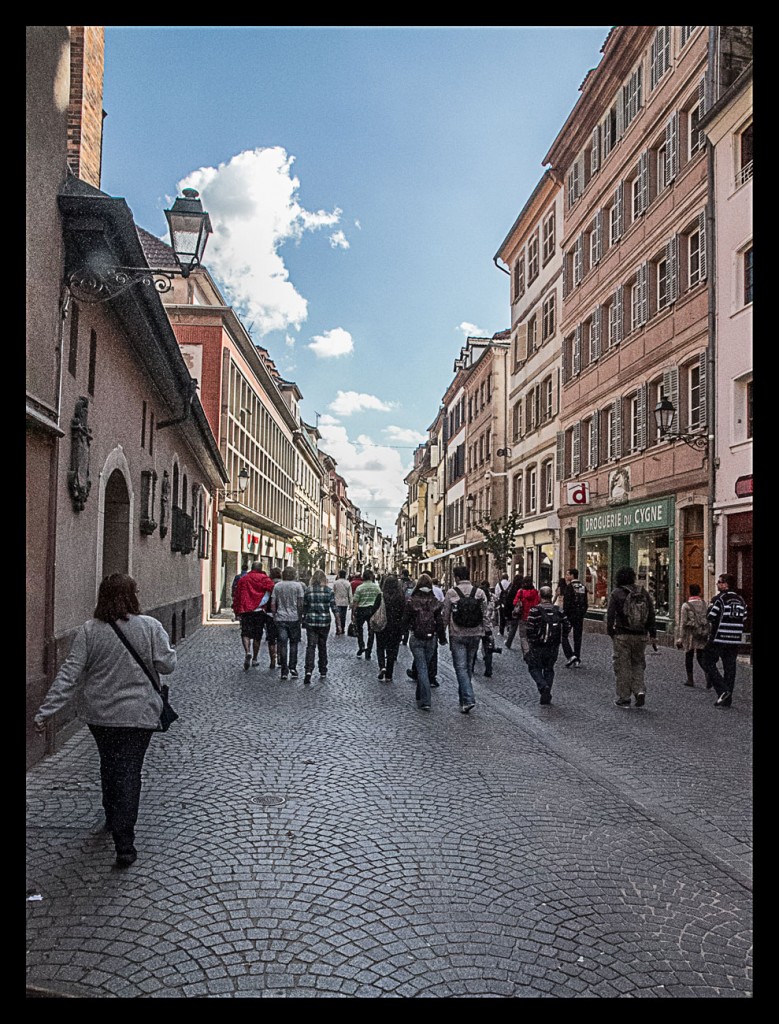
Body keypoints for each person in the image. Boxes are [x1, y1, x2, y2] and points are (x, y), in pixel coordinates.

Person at [33, 573, 176, 868]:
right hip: (138, 715)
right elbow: (167, 664)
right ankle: (125, 843)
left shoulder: (90, 630)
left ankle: (112, 815)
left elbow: (70, 674)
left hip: (101, 716)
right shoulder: (150, 626)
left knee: (110, 764)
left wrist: (46, 711)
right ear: (133, 595)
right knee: (130, 771)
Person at [607, 566, 656, 708]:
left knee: (623, 666)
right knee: (638, 663)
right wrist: (652, 633)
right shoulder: (643, 592)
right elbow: (651, 613)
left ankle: (624, 697)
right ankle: (639, 690)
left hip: (622, 634)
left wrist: (611, 631)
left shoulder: (616, 593)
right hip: (640, 635)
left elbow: (610, 615)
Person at [442, 565, 488, 713]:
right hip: (475, 634)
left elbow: (446, 616)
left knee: (460, 668)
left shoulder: (451, 593)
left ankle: (468, 699)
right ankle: (463, 700)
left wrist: (442, 633)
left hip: (458, 634)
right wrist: (487, 632)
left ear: (456, 578)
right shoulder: (479, 592)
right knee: (468, 666)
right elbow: (486, 614)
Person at [702, 573, 747, 708]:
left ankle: (722, 690)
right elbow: (744, 617)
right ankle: (727, 699)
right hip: (735, 638)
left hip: (719, 637)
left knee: (707, 662)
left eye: (720, 582)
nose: (718, 584)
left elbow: (711, 616)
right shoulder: (741, 600)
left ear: (726, 584)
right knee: (730, 667)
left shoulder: (720, 599)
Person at [403, 573, 447, 710]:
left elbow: (405, 619)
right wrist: (442, 638)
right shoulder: (434, 601)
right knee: (425, 668)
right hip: (431, 638)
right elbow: (439, 621)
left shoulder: (412, 601)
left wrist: (403, 633)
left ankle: (425, 700)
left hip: (416, 638)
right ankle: (420, 696)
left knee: (422, 669)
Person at [525, 586, 571, 705]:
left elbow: (529, 628)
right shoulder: (558, 610)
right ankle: (546, 693)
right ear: (551, 596)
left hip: (538, 645)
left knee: (534, 667)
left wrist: (533, 641)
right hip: (553, 645)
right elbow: (567, 625)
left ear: (540, 595)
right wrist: (561, 637)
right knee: (549, 669)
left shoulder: (535, 610)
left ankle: (543, 686)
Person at [232, 561, 275, 670]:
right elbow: (273, 591)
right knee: (257, 635)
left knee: (245, 633)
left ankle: (247, 651)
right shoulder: (265, 579)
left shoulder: (243, 579)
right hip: (259, 610)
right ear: (261, 568)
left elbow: (237, 595)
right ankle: (255, 658)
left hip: (246, 610)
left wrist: (237, 611)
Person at [271, 566, 305, 680]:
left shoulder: (277, 586)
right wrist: (300, 616)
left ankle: (284, 670)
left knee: (282, 644)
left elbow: (273, 603)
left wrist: (274, 615)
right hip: (294, 618)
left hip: (281, 618)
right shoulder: (298, 586)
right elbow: (300, 603)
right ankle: (293, 667)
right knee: (294, 643)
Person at [302, 569, 336, 684]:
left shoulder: (308, 591)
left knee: (311, 646)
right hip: (324, 622)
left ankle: (308, 670)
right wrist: (339, 624)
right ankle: (323, 670)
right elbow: (334, 608)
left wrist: (303, 617)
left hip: (311, 622)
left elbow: (304, 607)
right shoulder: (328, 591)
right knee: (322, 646)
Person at [373, 574, 406, 681]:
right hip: (395, 626)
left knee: (380, 647)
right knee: (391, 650)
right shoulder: (401, 597)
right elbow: (404, 612)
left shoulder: (381, 596)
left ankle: (382, 666)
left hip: (382, 625)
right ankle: (389, 675)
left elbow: (374, 610)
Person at [676, 583, 709, 687]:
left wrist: (680, 638)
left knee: (689, 656)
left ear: (689, 592)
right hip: (701, 632)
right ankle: (708, 674)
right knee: (701, 656)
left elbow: (683, 623)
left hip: (690, 633)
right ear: (699, 591)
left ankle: (690, 680)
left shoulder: (686, 605)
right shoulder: (704, 604)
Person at [561, 568, 589, 667]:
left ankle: (571, 656)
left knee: (563, 635)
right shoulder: (582, 587)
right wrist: (582, 613)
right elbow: (586, 603)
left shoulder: (569, 587)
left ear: (572, 576)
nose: (566, 576)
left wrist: (565, 614)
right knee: (578, 637)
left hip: (570, 616)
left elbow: (566, 603)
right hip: (579, 616)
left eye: (568, 574)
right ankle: (577, 658)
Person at [352, 569, 382, 659]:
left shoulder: (360, 588)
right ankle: (368, 651)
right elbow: (380, 599)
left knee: (359, 630)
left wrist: (353, 614)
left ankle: (361, 645)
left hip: (361, 610)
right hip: (372, 610)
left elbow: (355, 602)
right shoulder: (376, 587)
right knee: (371, 631)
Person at [509, 576, 541, 654]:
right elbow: (538, 603)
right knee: (531, 635)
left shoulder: (521, 592)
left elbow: (514, 602)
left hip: (523, 616)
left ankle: (526, 652)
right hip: (533, 616)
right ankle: (531, 649)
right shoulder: (535, 592)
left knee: (523, 636)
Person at [263, 566, 282, 670]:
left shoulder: (269, 584)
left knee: (271, 638)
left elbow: (265, 599)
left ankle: (272, 660)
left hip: (270, 614)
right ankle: (279, 656)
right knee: (280, 638)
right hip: (282, 614)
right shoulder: (283, 585)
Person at [478, 578, 496, 678]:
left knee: (475, 646)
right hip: (488, 627)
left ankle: (471, 665)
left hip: (477, 626)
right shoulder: (491, 601)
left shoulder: (478, 602)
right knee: (488, 648)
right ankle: (488, 668)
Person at [502, 574, 524, 650]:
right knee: (522, 629)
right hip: (522, 610)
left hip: (514, 611)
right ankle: (524, 645)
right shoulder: (522, 589)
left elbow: (508, 601)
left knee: (513, 628)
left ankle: (508, 642)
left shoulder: (512, 588)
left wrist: (506, 613)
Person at [332, 569, 352, 636]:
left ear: (339, 575)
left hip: (337, 602)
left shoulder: (335, 583)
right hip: (344, 602)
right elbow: (350, 594)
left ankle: (338, 628)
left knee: (337, 616)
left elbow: (333, 592)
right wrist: (350, 603)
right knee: (343, 616)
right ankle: (342, 629)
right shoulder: (348, 583)